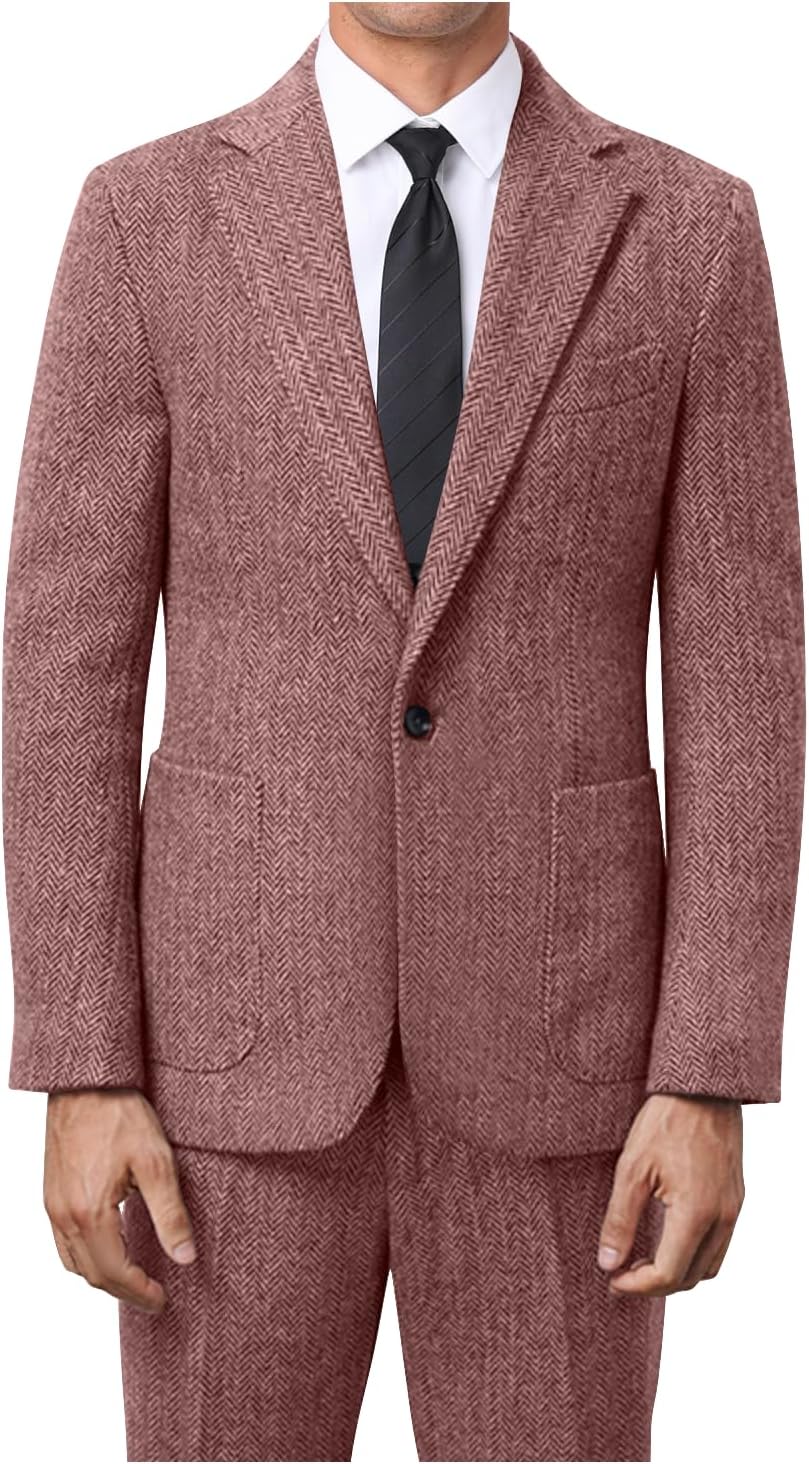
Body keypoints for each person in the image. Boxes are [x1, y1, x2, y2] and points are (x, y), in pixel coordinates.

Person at [4, 4, 804, 1461]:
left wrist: (706, 1069)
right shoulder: (147, 218)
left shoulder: (688, 231)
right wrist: (82, 1058)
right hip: (221, 1071)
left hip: (569, 1066)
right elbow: (65, 670)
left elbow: (743, 686)